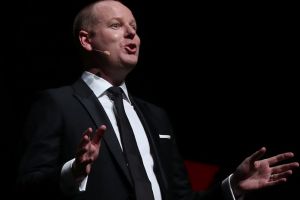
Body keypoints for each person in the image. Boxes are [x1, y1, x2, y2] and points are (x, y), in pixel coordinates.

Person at [17, 0, 299, 200]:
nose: (132, 34)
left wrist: (232, 186)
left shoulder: (155, 116)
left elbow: (180, 196)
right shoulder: (57, 104)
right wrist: (73, 171)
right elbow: (29, 186)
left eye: (135, 27)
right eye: (116, 25)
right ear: (86, 40)